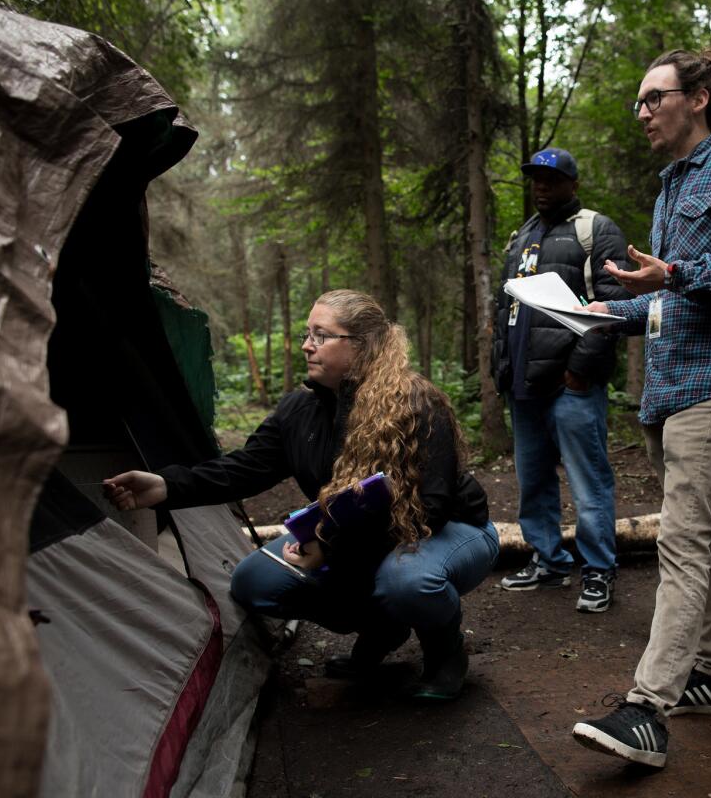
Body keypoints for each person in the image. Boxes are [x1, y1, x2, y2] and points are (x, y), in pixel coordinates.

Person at [569, 49, 711, 768]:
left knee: (682, 539)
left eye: (651, 98)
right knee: (709, 537)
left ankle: (647, 708)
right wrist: (615, 311)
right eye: (638, 101)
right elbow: (675, 299)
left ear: (697, 98)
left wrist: (678, 272)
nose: (640, 112)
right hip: (671, 383)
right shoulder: (671, 189)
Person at [104, 289, 497, 700]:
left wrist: (329, 547)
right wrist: (165, 486)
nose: (307, 345)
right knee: (255, 582)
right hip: (354, 538)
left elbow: (429, 510)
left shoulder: (416, 403)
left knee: (407, 581)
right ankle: (382, 625)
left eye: (321, 335)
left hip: (446, 531)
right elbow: (243, 469)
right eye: (307, 333)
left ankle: (445, 651)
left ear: (361, 346)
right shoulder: (299, 412)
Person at [492, 147, 632, 613]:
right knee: (532, 480)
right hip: (524, 387)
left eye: (551, 179)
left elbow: (613, 306)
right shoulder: (523, 235)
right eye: (535, 179)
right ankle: (549, 561)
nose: (542, 187)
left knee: (589, 481)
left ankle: (597, 570)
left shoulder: (595, 229)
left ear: (573, 183)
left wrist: (579, 372)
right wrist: (502, 368)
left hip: (572, 385)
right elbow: (505, 308)